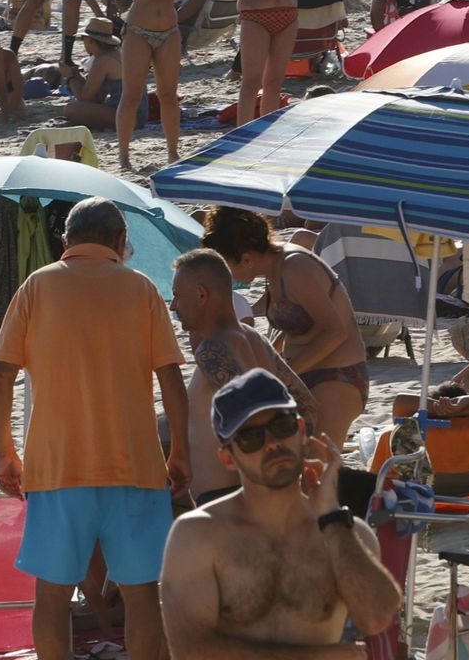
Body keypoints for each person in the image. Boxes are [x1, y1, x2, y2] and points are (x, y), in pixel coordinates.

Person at [0, 197, 191, 660]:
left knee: (53, 596)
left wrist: (5, 451)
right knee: (143, 595)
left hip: (57, 465)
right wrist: (179, 451)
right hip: (136, 465)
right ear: (121, 241)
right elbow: (172, 381)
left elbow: (1, 376)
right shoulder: (141, 288)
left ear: (66, 241)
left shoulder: (36, 286)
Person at [159, 369, 401, 660]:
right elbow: (190, 650)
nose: (272, 443)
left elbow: (377, 617)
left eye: (281, 426)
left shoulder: (346, 533)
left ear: (300, 431)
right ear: (228, 458)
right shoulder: (198, 536)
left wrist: (331, 516)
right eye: (251, 437)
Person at [200, 209, 366, 446]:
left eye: (227, 266)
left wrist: (283, 374)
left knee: (318, 467)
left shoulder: (294, 267)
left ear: (246, 258)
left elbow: (335, 331)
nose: (228, 275)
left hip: (338, 376)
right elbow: (294, 328)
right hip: (306, 376)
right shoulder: (274, 270)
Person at [169, 250, 317, 506]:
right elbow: (307, 409)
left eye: (177, 297)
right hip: (259, 494)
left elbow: (250, 419)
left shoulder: (212, 350)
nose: (173, 306)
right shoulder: (252, 337)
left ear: (201, 295)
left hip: (227, 499)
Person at [117, 0, 192, 172]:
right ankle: (124, 156)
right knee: (132, 95)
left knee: (168, 95)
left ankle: (172, 152)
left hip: (169, 32)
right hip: (138, 30)